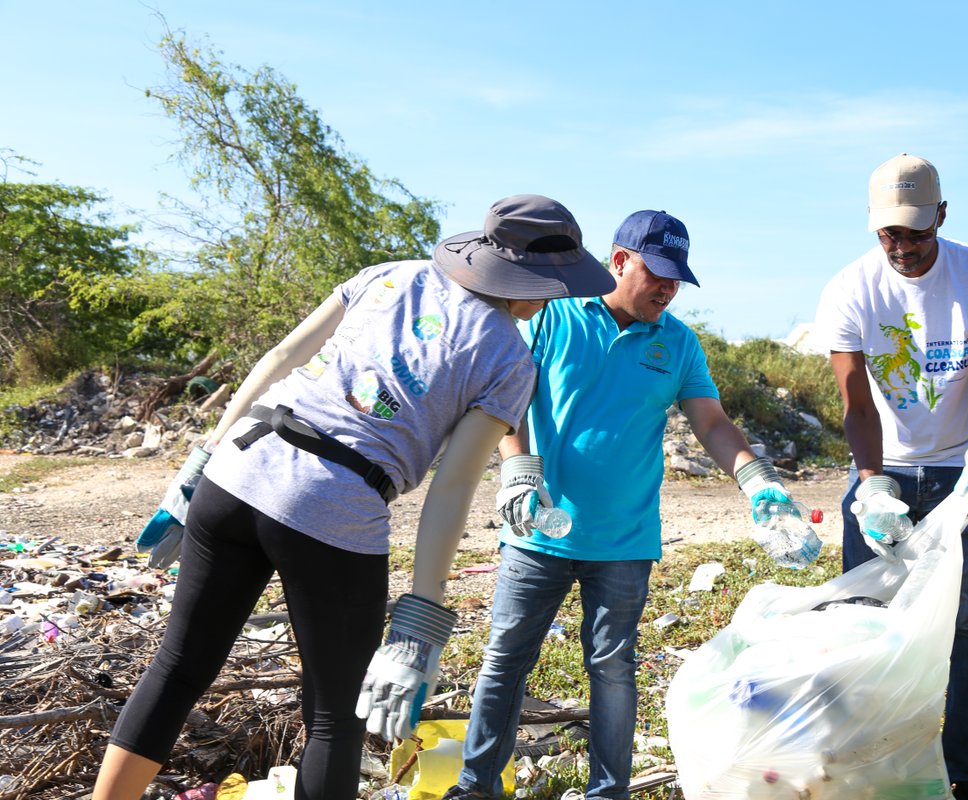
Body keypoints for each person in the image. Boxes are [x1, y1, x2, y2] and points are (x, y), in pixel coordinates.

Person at [92, 195, 617, 800]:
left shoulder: (389, 274)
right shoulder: (508, 354)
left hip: (238, 467)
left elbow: (281, 357)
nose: (552, 300)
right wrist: (421, 620)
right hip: (332, 505)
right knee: (335, 719)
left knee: (178, 669)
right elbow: (451, 489)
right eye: (556, 286)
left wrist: (200, 461)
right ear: (535, 282)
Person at [444, 210, 811, 800]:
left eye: (677, 278)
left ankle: (607, 792)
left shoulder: (677, 342)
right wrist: (517, 465)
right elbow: (505, 396)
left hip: (624, 541)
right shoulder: (554, 315)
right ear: (619, 261)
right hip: (537, 531)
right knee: (505, 660)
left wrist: (758, 480)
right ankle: (476, 786)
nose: (668, 288)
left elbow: (712, 422)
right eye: (657, 273)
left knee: (612, 670)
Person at [814, 154, 968, 800]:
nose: (904, 248)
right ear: (873, 226)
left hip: (960, 475)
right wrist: (871, 483)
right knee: (865, 618)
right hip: (883, 471)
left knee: (966, 621)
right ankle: (869, 768)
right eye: (890, 235)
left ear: (941, 215)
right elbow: (855, 404)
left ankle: (966, 776)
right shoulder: (850, 291)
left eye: (916, 232)